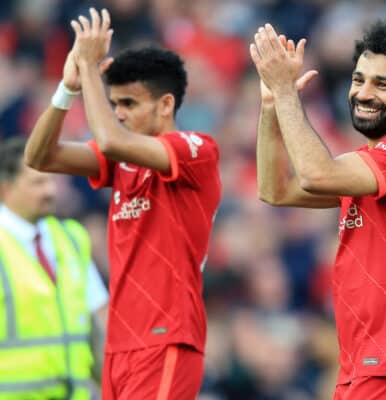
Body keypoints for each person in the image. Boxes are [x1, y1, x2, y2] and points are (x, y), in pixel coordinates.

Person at [24, 8, 221, 399]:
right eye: (114, 104)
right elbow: (40, 157)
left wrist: (90, 69)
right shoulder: (123, 161)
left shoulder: (197, 150)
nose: (118, 114)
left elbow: (111, 139)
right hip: (119, 343)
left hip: (168, 337)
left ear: (165, 105)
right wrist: (68, 89)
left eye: (129, 103)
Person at [251, 20, 386, 399]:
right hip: (361, 362)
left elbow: (314, 174)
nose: (364, 93)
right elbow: (275, 190)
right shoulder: (368, 164)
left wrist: (285, 91)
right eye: (359, 80)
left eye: (383, 84)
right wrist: (271, 105)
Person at [0, 137, 108, 399]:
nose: (49, 191)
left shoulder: (71, 239)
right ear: (5, 188)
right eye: (37, 183)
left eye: (51, 181)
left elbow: (100, 320)